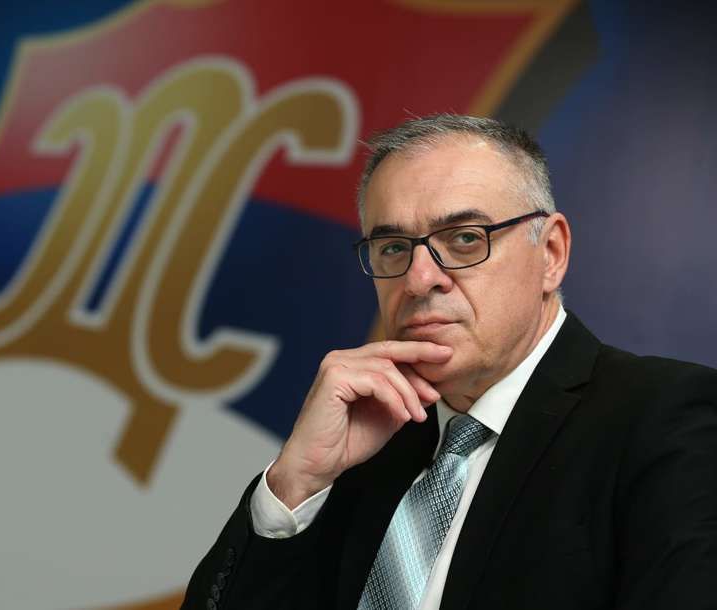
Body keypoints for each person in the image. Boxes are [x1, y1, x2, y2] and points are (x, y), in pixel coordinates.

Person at [182, 114, 717, 610]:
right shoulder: (359, 453)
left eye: (464, 239)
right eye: (394, 247)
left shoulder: (666, 419)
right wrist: (296, 483)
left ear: (551, 253)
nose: (419, 280)